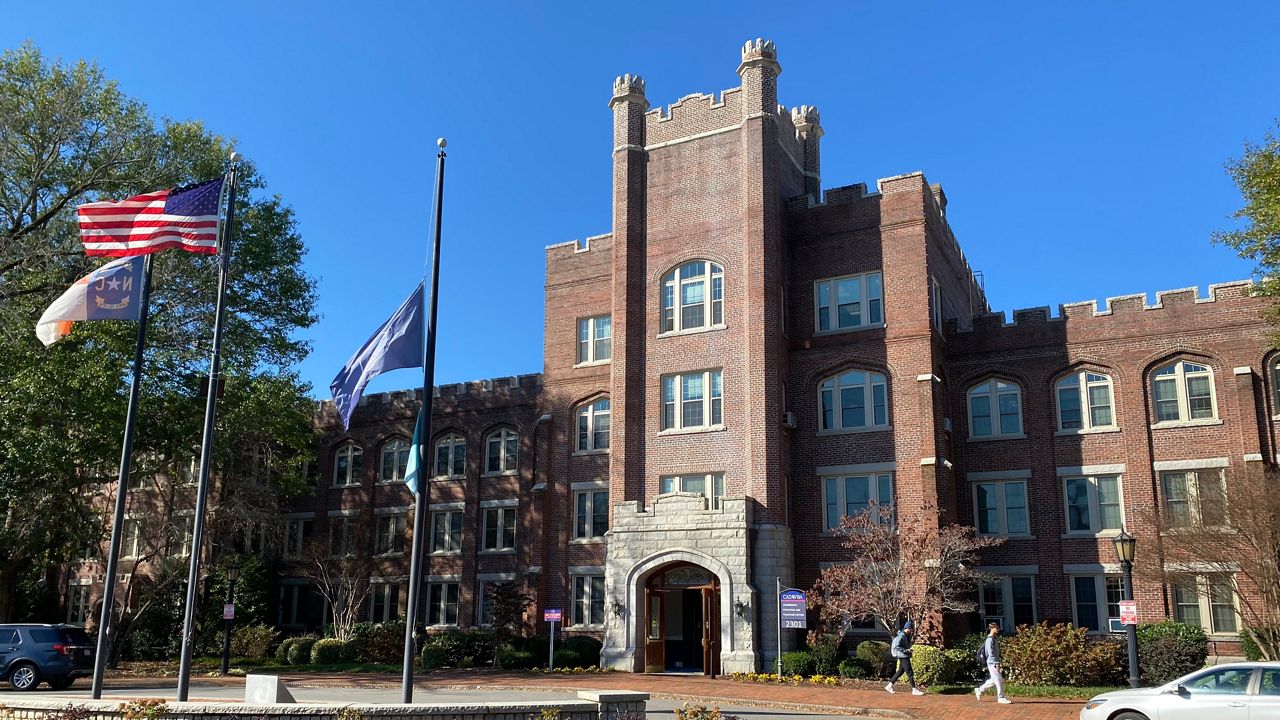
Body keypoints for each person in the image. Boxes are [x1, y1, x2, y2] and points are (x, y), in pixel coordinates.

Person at [975, 621, 1011, 704]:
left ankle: (980, 690)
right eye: (997, 628)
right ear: (992, 628)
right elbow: (990, 653)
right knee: (999, 680)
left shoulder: (994, 638)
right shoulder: (989, 639)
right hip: (992, 663)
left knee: (995, 680)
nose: (998, 629)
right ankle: (1000, 697)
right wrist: (996, 663)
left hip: (994, 662)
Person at [885, 620, 925, 695]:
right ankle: (914, 689)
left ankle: (889, 685)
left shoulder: (905, 635)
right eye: (911, 629)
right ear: (908, 628)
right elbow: (897, 646)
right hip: (903, 656)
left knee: (900, 671)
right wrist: (906, 650)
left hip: (903, 655)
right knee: (910, 672)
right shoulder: (902, 635)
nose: (912, 630)